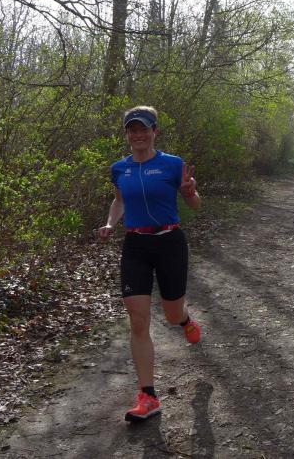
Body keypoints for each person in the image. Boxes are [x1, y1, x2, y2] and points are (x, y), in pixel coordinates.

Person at [98, 106, 203, 422]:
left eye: (144, 129)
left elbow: (195, 205)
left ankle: (184, 319)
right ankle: (148, 396)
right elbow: (119, 200)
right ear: (127, 134)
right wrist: (110, 223)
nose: (138, 135)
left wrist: (190, 193)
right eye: (132, 130)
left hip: (170, 242)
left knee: (171, 314)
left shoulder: (172, 164)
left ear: (155, 131)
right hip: (136, 245)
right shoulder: (119, 168)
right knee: (138, 320)